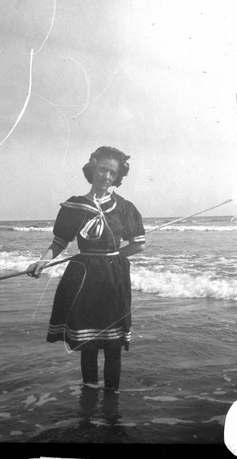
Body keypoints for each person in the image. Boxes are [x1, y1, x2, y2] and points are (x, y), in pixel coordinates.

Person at [26, 146, 146, 390]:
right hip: (84, 278)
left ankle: (112, 399)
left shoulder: (124, 207)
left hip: (113, 279)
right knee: (87, 342)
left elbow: (138, 245)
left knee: (113, 345)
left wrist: (111, 258)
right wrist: (42, 261)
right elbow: (60, 242)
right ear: (92, 168)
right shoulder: (75, 206)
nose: (106, 176)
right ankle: (89, 399)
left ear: (118, 176)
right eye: (102, 170)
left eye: (113, 173)